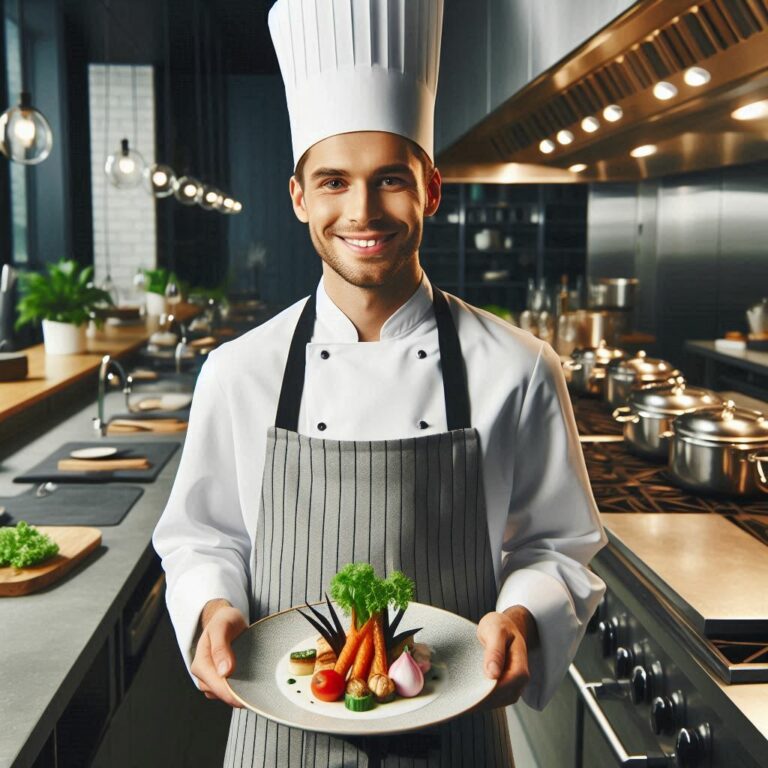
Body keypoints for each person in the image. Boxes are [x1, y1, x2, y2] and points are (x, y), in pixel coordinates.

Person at [153, 1, 607, 765]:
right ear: (300, 198)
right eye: (334, 181)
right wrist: (210, 610)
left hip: (456, 734)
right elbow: (203, 537)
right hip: (278, 735)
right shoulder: (238, 371)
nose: (362, 211)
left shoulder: (521, 367)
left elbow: (559, 546)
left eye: (389, 179)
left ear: (431, 188)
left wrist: (523, 618)